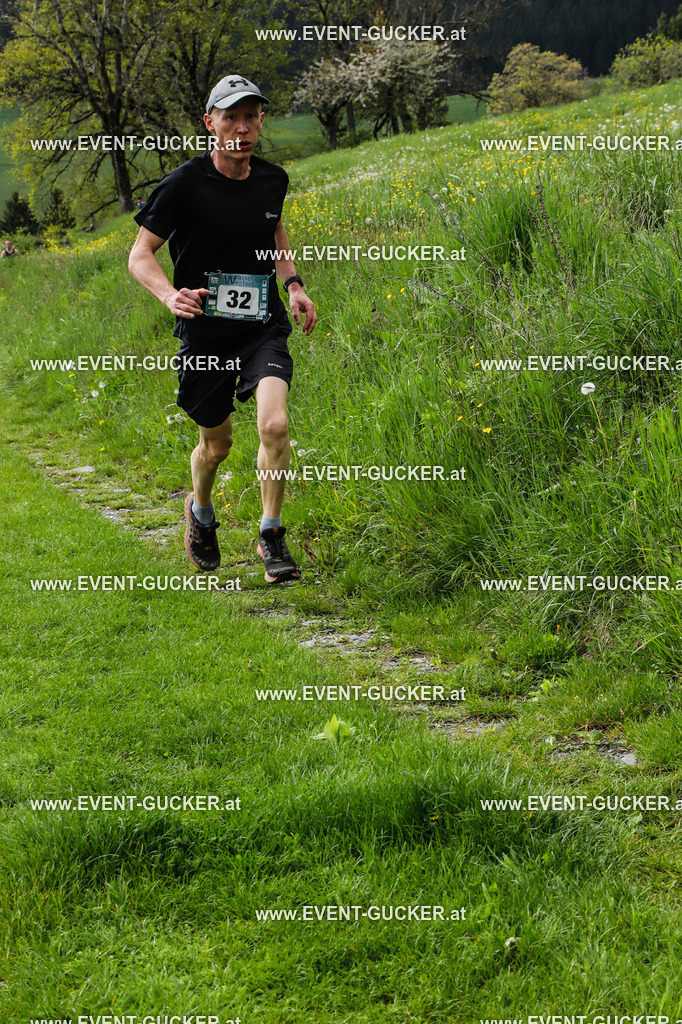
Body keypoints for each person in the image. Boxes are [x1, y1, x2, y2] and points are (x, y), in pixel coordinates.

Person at [128, 74, 316, 583]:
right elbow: (140, 255)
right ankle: (201, 512)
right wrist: (169, 295)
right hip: (205, 335)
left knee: (274, 426)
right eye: (231, 117)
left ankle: (271, 534)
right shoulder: (184, 184)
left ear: (261, 121)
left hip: (261, 327)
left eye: (251, 116)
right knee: (217, 446)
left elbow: (273, 228)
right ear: (210, 123)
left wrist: (293, 284)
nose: (242, 127)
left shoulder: (273, 180)